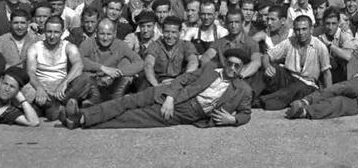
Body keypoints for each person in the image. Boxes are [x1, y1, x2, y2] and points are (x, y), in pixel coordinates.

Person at [59, 48, 252, 129]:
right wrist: (169, 97)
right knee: (128, 101)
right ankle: (79, 115)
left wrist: (233, 119)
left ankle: (81, 120)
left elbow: (246, 113)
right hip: (172, 94)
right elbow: (182, 79)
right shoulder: (210, 69)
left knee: (134, 117)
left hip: (189, 111)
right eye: (230, 63)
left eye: (237, 66)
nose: (232, 68)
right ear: (225, 62)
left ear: (242, 67)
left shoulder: (243, 89)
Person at [254, 15, 332, 110]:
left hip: (307, 85)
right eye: (298, 30)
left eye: (304, 29)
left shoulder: (320, 47)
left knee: (298, 87)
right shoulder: (290, 42)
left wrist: (329, 95)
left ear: (311, 29)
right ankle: (248, 95)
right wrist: (267, 67)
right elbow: (267, 55)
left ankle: (260, 102)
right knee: (273, 69)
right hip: (289, 78)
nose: (301, 33)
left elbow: (326, 73)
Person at [24, 16, 90, 120]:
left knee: (85, 78)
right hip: (42, 86)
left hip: (62, 89)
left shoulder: (69, 47)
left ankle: (52, 107)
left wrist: (64, 83)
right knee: (25, 87)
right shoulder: (34, 48)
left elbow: (78, 65)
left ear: (62, 32)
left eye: (56, 32)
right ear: (44, 31)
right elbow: (30, 72)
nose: (52, 36)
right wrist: (39, 88)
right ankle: (56, 107)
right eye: (49, 32)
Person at [78, 19, 144, 104]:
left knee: (126, 63)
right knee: (85, 76)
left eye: (109, 34)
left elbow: (139, 62)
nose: (105, 38)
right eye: (102, 34)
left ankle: (116, 101)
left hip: (113, 83)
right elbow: (78, 61)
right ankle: (93, 100)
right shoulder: (88, 43)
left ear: (114, 34)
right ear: (96, 32)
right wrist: (102, 68)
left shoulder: (121, 45)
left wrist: (117, 73)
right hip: (94, 83)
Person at [143, 16, 199, 88]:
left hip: (180, 80)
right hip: (158, 81)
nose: (170, 36)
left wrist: (183, 80)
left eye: (174, 32)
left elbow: (193, 61)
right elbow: (148, 64)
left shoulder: (186, 45)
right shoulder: (155, 45)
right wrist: (156, 85)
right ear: (162, 31)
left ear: (180, 32)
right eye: (167, 32)